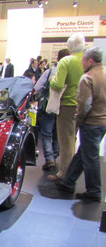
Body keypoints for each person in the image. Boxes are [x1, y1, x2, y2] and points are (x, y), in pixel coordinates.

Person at [53, 47, 106, 202]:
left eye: (83, 60)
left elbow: (86, 104)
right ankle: (69, 181)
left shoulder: (87, 78)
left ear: (90, 60)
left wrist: (79, 119)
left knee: (90, 157)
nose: (82, 63)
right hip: (102, 121)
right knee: (84, 152)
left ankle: (94, 191)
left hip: (92, 121)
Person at [48, 33, 86, 182]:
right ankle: (73, 173)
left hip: (68, 104)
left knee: (66, 140)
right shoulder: (87, 60)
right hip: (84, 105)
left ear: (69, 47)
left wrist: (52, 80)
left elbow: (58, 84)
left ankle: (65, 174)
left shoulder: (66, 61)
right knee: (75, 139)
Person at [34, 49, 70, 170]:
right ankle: (54, 155)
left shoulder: (49, 72)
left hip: (49, 106)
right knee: (58, 134)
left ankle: (49, 158)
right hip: (64, 108)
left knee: (46, 133)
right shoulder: (70, 74)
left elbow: (38, 87)